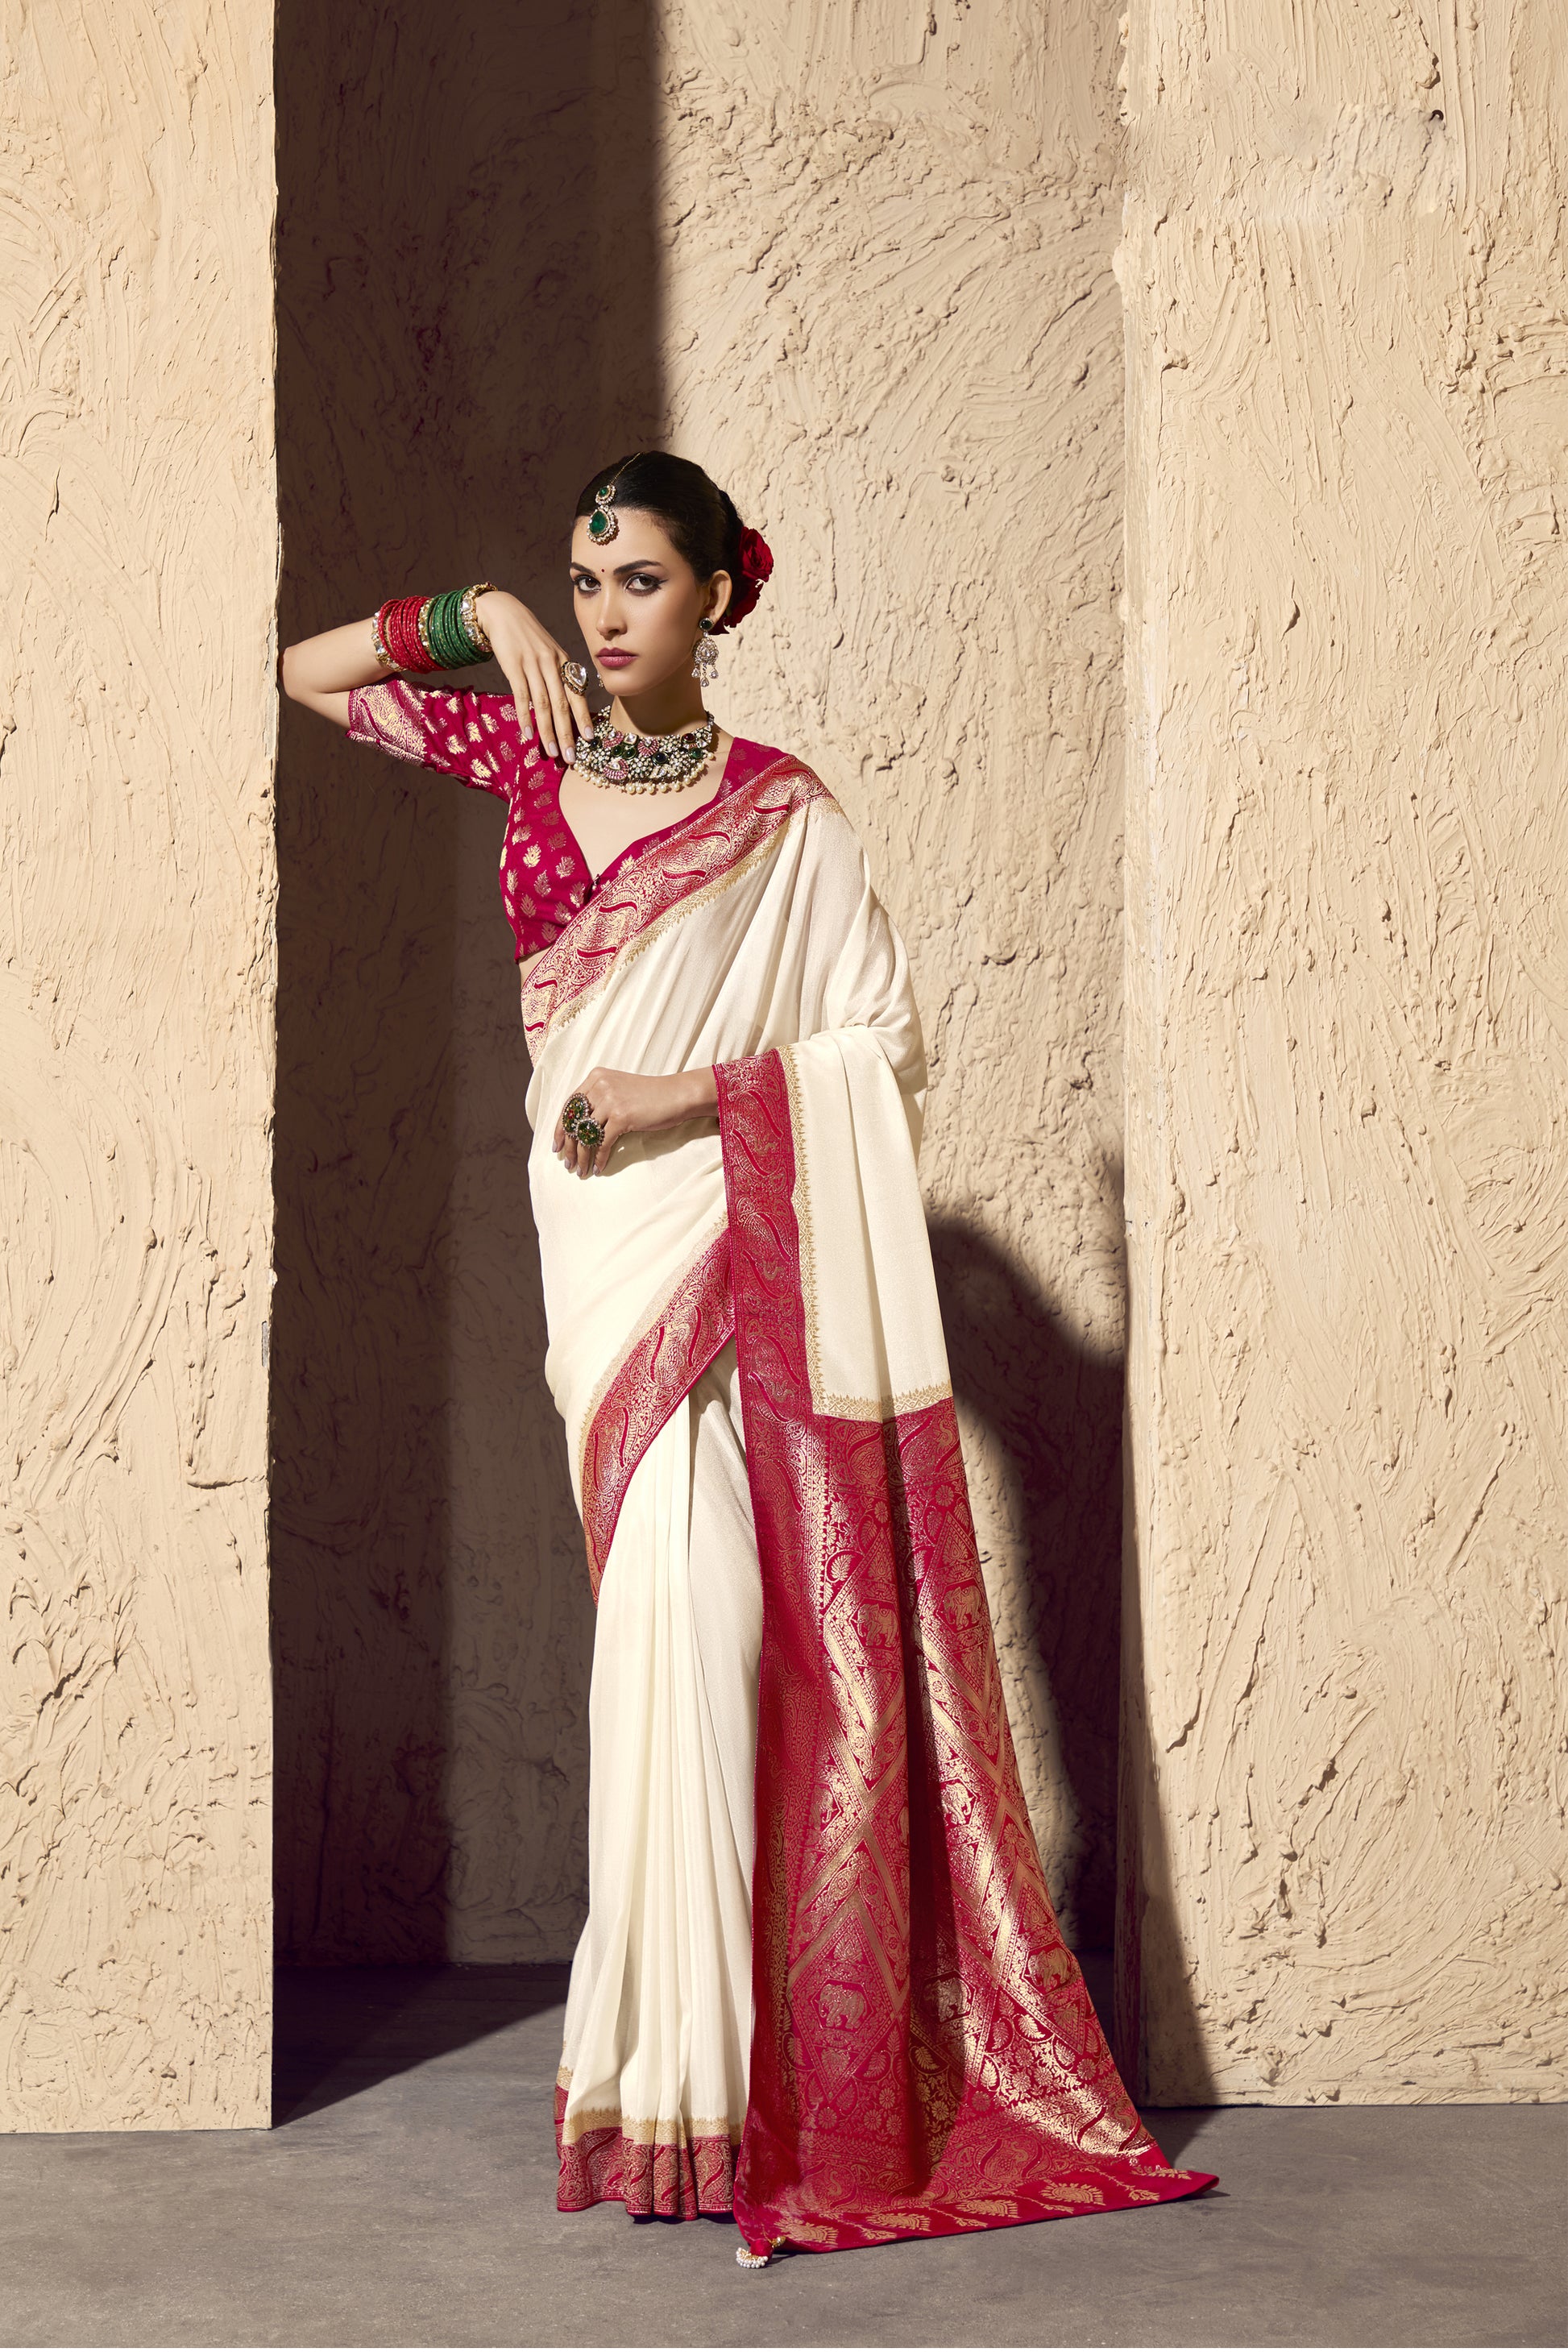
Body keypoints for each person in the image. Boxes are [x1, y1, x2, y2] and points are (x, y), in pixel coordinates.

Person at [281, 450, 1215, 2266]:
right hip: (607, 1272)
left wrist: (686, 1094)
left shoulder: (785, 812)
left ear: (716, 593)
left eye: (637, 580)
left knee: (716, 1642)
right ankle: (671, 2084)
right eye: (583, 582)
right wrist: (469, 617)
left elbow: (876, 1041)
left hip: (729, 1234)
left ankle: (722, 2085)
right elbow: (305, 676)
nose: (603, 614)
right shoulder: (523, 751)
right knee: (663, 1639)